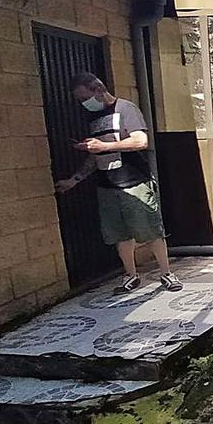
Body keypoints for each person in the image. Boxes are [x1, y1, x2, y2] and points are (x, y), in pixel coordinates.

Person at [55, 73, 182, 293]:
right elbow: (96, 157)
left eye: (85, 98)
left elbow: (141, 141)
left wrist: (104, 147)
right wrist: (74, 180)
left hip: (134, 181)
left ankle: (166, 273)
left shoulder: (125, 108)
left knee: (150, 230)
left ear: (97, 89)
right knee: (119, 235)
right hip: (107, 185)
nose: (84, 104)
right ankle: (131, 276)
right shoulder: (94, 118)